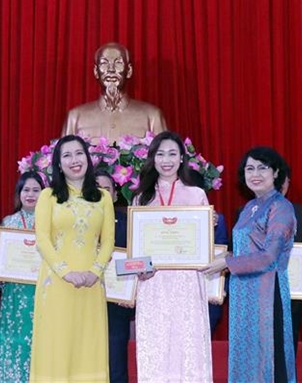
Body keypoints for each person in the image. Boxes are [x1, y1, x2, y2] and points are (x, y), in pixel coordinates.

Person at [203, 146, 297, 383]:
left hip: (268, 293)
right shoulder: (249, 207)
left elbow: (269, 256)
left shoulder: (281, 207)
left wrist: (226, 263)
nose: (255, 174)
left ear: (276, 173)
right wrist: (223, 256)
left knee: (269, 359)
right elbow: (245, 249)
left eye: (262, 168)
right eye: (250, 168)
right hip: (243, 293)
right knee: (245, 355)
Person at [29, 135, 115, 382]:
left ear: (88, 158)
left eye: (79, 153)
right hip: (56, 283)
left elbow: (108, 242)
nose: (74, 160)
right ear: (58, 163)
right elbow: (42, 239)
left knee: (88, 344)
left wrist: (94, 272)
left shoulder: (103, 198)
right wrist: (66, 272)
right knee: (56, 343)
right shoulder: (48, 196)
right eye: (67, 155)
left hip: (91, 284)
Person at [133, 131, 212, 382]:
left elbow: (204, 247)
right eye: (160, 154)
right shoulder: (141, 198)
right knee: (155, 346)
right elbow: (136, 252)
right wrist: (140, 269)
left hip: (187, 282)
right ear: (152, 158)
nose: (166, 160)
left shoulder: (197, 195)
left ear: (181, 159)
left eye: (172, 154)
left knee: (187, 344)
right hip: (153, 284)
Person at [0, 172, 45, 383]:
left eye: (36, 190)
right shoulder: (9, 222)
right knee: (14, 342)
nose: (30, 195)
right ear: (19, 193)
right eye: (26, 190)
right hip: (14, 294)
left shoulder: (51, 221)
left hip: (42, 291)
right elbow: (1, 259)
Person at [61, 42, 167, 143]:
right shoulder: (75, 118)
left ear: (129, 71)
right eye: (104, 63)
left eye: (118, 63)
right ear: (96, 71)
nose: (111, 69)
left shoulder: (152, 116)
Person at [95, 169, 133, 383]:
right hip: (83, 297)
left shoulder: (129, 223)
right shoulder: (77, 223)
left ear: (115, 195)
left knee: (116, 360)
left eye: (106, 189)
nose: (101, 193)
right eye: (96, 188)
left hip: (117, 302)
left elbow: (141, 259)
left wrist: (131, 289)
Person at [280, 164, 302, 351]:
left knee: (288, 344)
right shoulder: (247, 212)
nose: (279, 185)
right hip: (258, 294)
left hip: (292, 292)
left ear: (288, 183)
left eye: (283, 180)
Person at [189, 169, 229, 333]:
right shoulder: (165, 220)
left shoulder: (217, 220)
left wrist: (220, 288)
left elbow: (223, 252)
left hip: (207, 292)